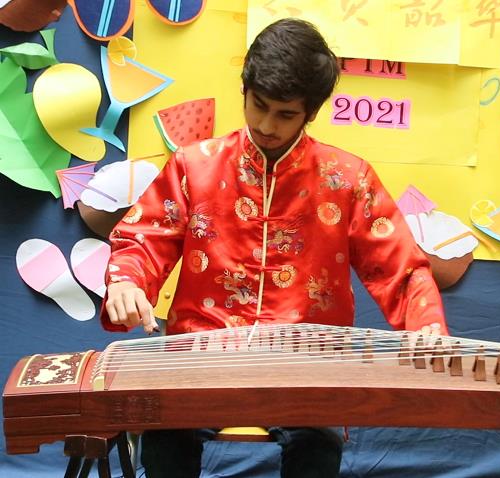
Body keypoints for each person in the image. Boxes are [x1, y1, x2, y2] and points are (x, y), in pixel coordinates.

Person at [100, 18, 448, 478]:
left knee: (316, 445)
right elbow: (143, 240)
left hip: (305, 360)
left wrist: (426, 329)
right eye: (258, 106)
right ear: (244, 89)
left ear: (310, 112)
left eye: (285, 115)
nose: (266, 125)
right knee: (166, 438)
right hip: (202, 351)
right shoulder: (193, 166)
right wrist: (126, 282)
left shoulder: (347, 178)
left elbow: (400, 268)